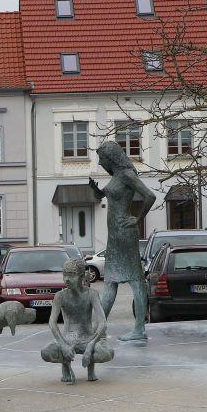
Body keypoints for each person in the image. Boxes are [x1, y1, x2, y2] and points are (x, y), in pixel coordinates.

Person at [89, 141, 156, 341]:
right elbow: (113, 195)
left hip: (125, 235)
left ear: (111, 158)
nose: (100, 163)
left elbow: (150, 196)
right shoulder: (117, 176)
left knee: (136, 282)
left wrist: (138, 218)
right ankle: (99, 329)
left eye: (102, 158)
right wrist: (97, 192)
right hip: (115, 237)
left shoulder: (127, 175)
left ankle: (139, 329)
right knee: (110, 281)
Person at [41, 258, 114, 383]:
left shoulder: (91, 294)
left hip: (88, 338)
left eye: (71, 276)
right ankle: (66, 366)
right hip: (68, 339)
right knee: (46, 352)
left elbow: (102, 322)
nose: (67, 279)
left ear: (81, 276)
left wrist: (91, 345)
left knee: (107, 353)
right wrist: (63, 345)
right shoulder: (60, 296)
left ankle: (91, 369)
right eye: (65, 275)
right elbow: (52, 323)